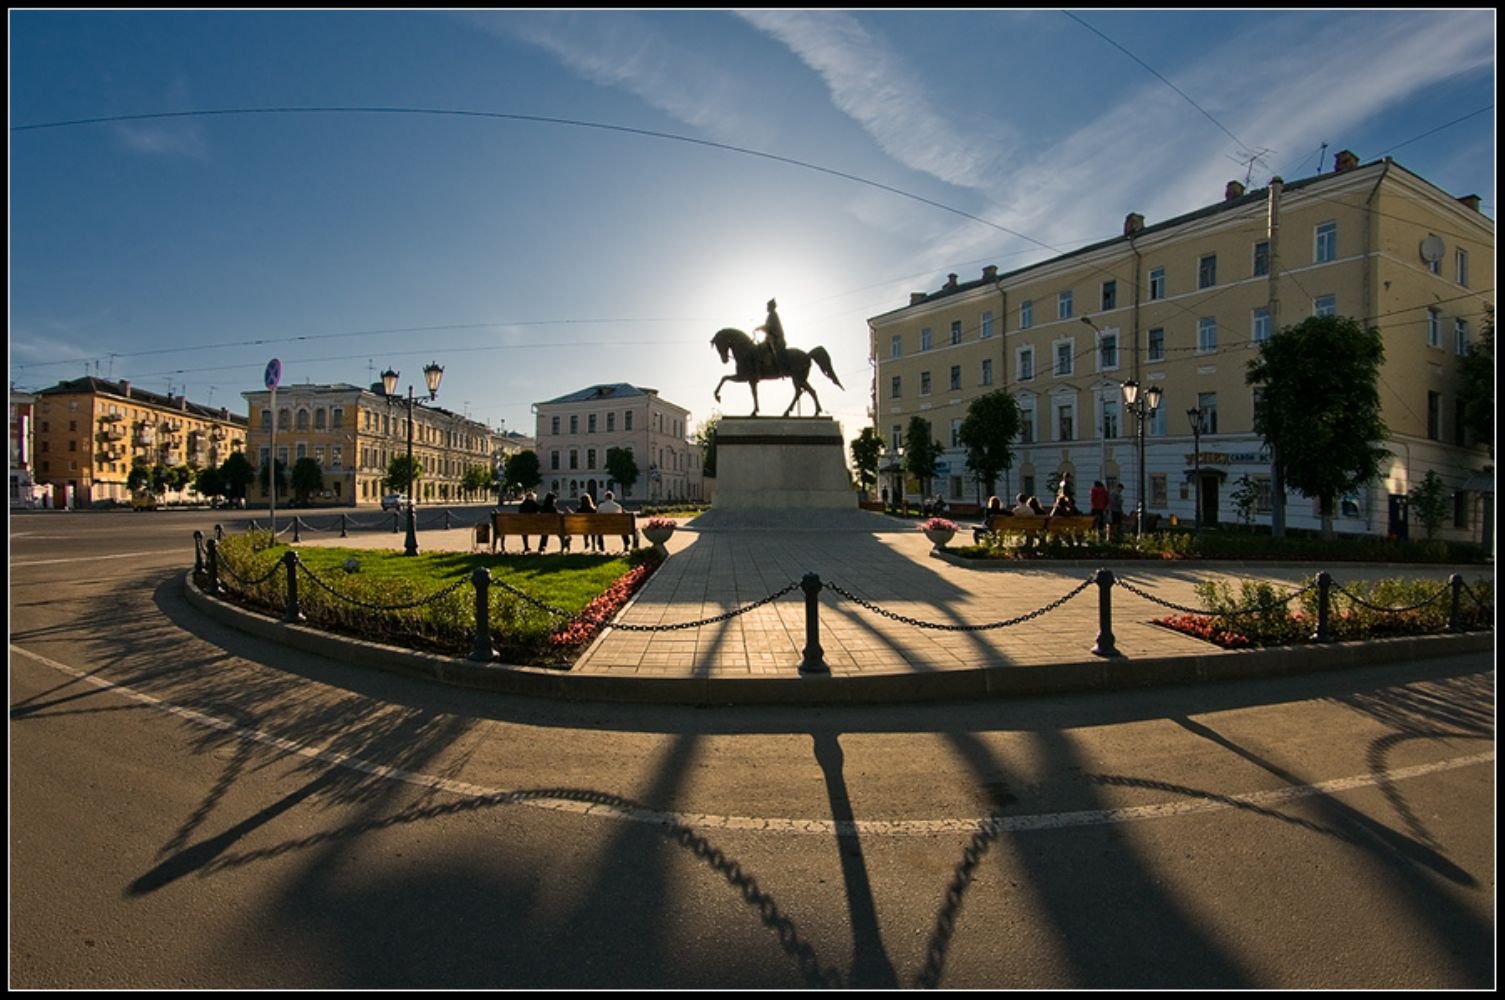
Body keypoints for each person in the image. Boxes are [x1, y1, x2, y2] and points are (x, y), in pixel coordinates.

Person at [754, 297, 788, 374]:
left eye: (768, 306)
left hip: (776, 339)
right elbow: (768, 327)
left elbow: (769, 326)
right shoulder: (771, 315)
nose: (767, 308)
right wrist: (761, 328)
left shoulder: (773, 315)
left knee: (762, 349)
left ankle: (773, 367)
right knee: (760, 348)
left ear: (771, 307)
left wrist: (760, 327)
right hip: (771, 338)